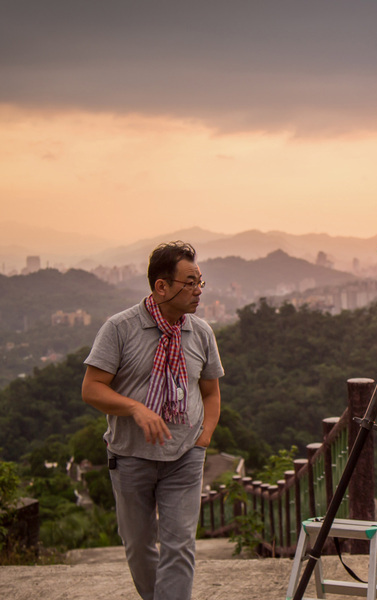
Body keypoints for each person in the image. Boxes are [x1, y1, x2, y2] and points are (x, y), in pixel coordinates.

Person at [82, 241, 224, 600]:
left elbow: (210, 393)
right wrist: (136, 408)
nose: (198, 291)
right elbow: (92, 389)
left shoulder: (201, 332)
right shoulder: (120, 329)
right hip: (131, 457)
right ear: (161, 286)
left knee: (179, 546)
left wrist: (203, 438)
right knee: (140, 546)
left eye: (200, 282)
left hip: (185, 456)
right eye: (189, 282)